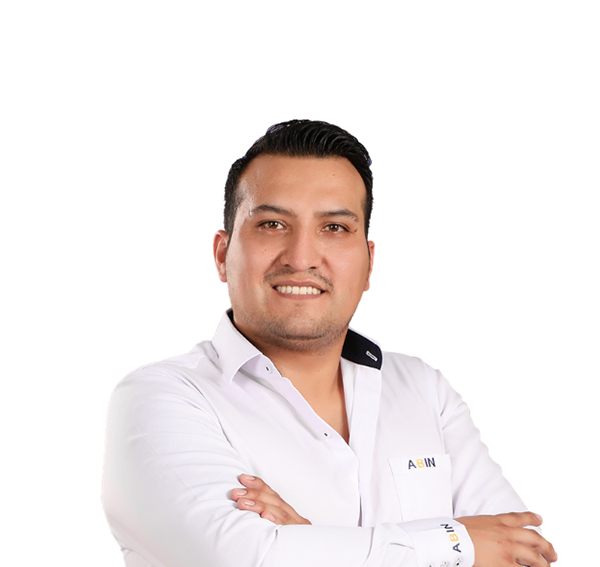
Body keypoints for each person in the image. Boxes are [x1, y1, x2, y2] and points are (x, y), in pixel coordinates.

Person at [102, 119, 557, 567]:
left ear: (369, 263)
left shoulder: (425, 391)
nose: (301, 257)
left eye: (335, 228)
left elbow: (525, 555)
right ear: (223, 255)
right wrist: (457, 545)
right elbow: (244, 560)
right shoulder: (162, 399)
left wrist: (305, 540)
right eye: (273, 224)